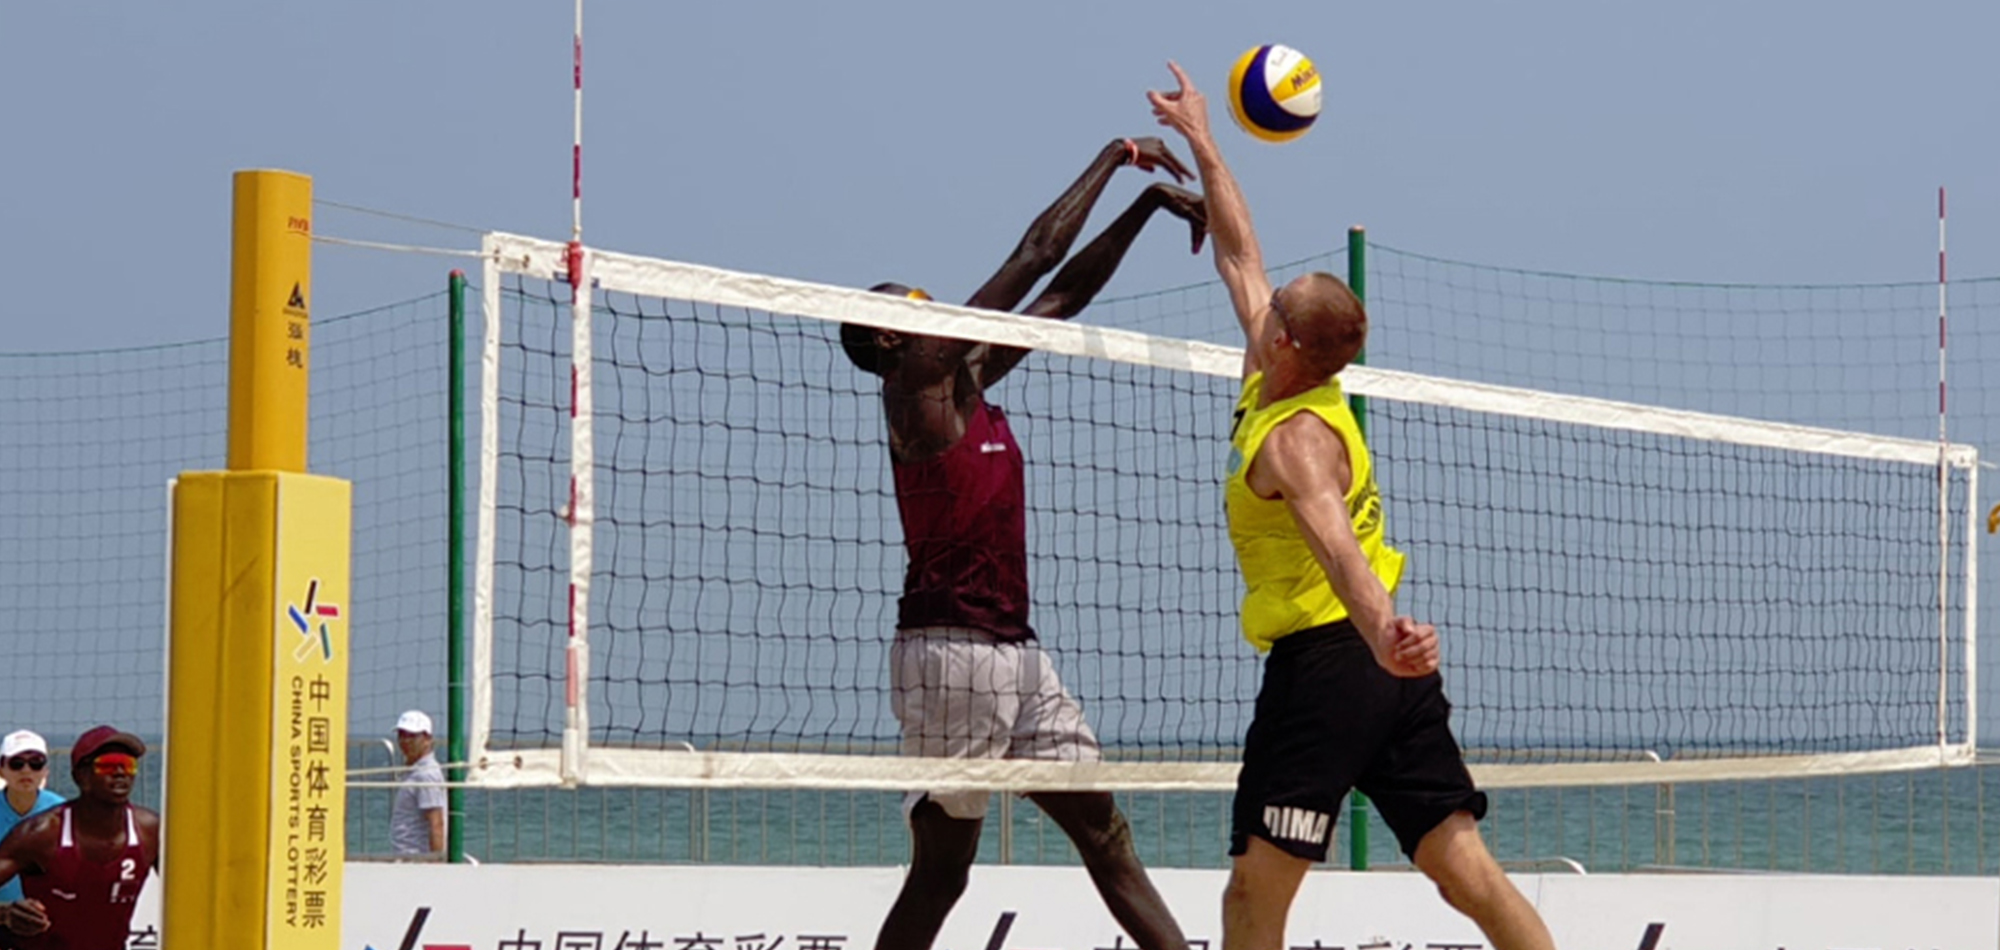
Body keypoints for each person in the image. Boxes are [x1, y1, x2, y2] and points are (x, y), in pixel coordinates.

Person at [1145, 63, 1557, 950]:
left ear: (1286, 340)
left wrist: (1382, 634)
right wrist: (1204, 139)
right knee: (1465, 872)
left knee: (1255, 892)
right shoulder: (1284, 378)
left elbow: (1337, 548)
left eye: (1274, 310)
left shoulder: (1296, 438)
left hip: (1334, 664)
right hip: (1387, 678)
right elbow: (1239, 250)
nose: (1260, 305)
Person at [841, 137, 1205, 950]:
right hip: (951, 653)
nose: (933, 305)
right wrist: (1116, 158)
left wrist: (1145, 209)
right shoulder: (916, 388)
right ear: (891, 339)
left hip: (1016, 650)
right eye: (916, 304)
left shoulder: (964, 377)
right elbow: (1038, 254)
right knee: (942, 872)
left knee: (1106, 836)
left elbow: (1062, 294)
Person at [0, 726, 159, 950]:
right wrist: (5, 914)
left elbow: (195, 895)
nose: (121, 772)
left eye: (128, 765)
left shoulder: (149, 830)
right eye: (108, 765)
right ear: (81, 776)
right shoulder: (41, 834)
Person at [0, 733, 63, 906]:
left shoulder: (61, 811)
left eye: (36, 763)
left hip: (49, 917)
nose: (26, 770)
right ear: (2, 770)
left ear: (45, 771)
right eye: (16, 764)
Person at [391, 710, 446, 858]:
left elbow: (436, 824)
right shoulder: (415, 770)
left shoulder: (426, 774)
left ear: (427, 739)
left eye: (412, 736)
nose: (405, 741)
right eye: (401, 735)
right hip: (407, 857)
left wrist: (435, 865)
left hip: (416, 859)